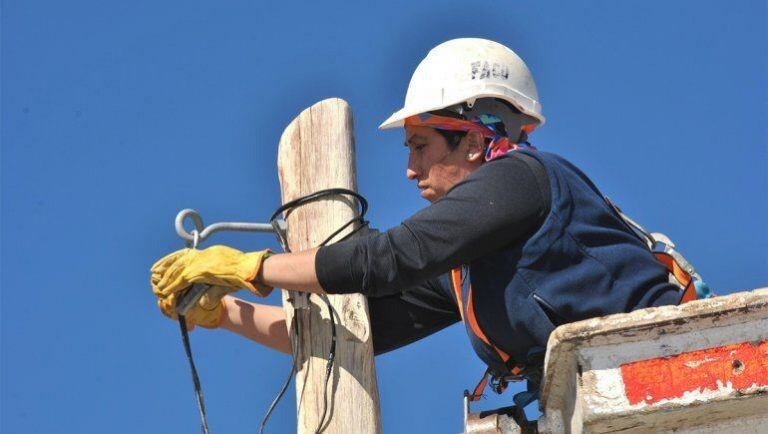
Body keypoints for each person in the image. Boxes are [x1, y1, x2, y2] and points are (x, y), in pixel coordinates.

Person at [150, 38, 682, 402]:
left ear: (474, 141)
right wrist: (224, 313)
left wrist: (254, 266)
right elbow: (351, 334)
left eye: (421, 146)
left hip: (674, 357)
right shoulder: (470, 267)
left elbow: (388, 258)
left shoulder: (522, 179)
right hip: (611, 383)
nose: (410, 170)